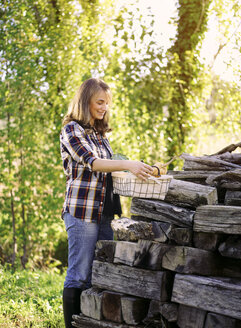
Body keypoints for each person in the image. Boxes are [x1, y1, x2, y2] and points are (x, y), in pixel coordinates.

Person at [60, 77, 153, 328]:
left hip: (104, 212)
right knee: (79, 275)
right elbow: (93, 162)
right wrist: (127, 164)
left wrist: (135, 171)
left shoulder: (100, 134)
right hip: (81, 212)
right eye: (100, 102)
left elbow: (109, 170)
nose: (104, 107)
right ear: (85, 100)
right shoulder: (72, 130)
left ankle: (89, 322)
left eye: (107, 103)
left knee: (98, 273)